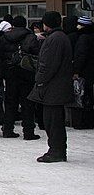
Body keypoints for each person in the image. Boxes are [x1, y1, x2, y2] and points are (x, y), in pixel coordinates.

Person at [28, 11, 74, 162]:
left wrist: (39, 79)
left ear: (46, 24)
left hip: (53, 88)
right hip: (58, 86)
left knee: (52, 121)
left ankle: (56, 151)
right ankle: (58, 149)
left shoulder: (54, 39)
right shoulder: (61, 37)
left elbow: (48, 65)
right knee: (55, 120)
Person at [0, 15, 41, 140]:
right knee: (27, 103)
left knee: (10, 101)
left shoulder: (5, 37)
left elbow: (0, 54)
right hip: (26, 73)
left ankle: (7, 129)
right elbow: (37, 54)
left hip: (10, 73)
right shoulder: (30, 37)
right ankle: (28, 132)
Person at [70, 15, 94, 129]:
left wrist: (76, 71)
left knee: (83, 96)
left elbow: (80, 55)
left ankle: (84, 121)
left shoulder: (83, 38)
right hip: (91, 71)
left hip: (85, 72)